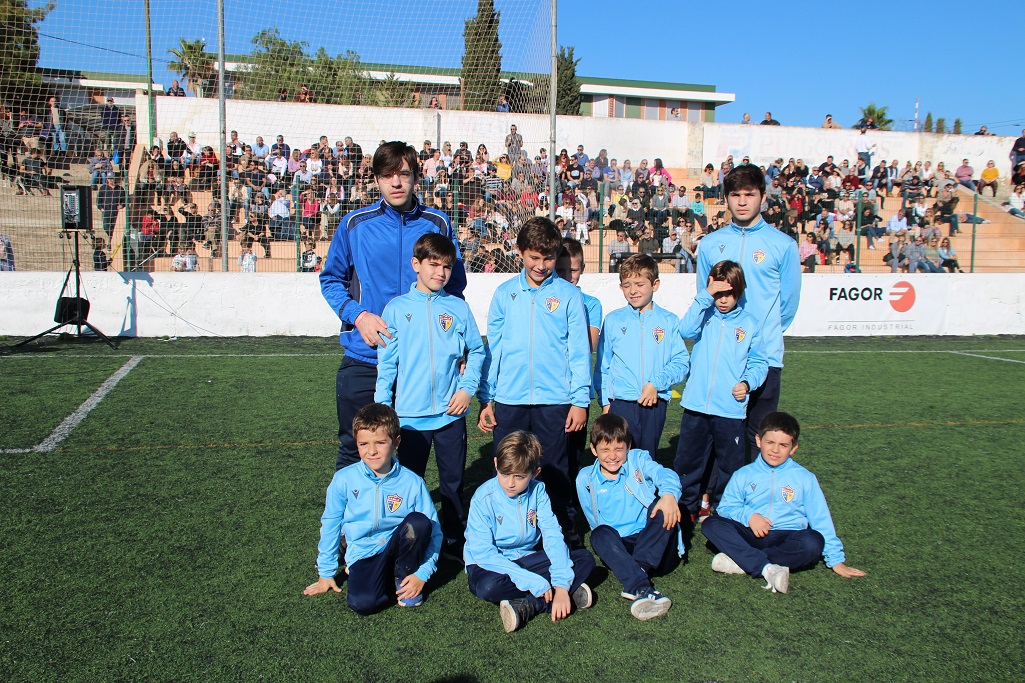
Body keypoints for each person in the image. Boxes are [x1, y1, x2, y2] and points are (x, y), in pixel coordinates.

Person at [321, 141, 466, 471]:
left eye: (403, 173)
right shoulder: (355, 224)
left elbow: (454, 291)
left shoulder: (438, 223)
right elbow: (331, 280)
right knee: (357, 448)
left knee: (415, 455)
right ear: (376, 179)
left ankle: (411, 505)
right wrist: (359, 316)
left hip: (423, 363)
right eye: (387, 175)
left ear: (416, 177)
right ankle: (352, 508)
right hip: (367, 357)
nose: (396, 183)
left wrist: (459, 348)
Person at [477, 217, 591, 538]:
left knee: (554, 470)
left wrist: (580, 401)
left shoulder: (568, 295)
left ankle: (562, 534)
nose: (541, 266)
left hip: (555, 401)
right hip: (509, 400)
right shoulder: (504, 294)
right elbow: (494, 349)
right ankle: (508, 533)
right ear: (520, 253)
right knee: (509, 469)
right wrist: (486, 398)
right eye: (534, 257)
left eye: (548, 258)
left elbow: (579, 351)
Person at [375, 233, 485, 559]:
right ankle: (410, 542)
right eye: (433, 264)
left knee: (453, 484)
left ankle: (453, 543)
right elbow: (387, 364)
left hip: (451, 414)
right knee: (410, 484)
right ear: (416, 264)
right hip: (410, 418)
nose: (440, 272)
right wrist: (383, 409)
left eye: (447, 266)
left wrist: (466, 390)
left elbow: (477, 351)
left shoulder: (458, 308)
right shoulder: (396, 309)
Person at [696, 165, 800, 457]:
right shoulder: (711, 244)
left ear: (763, 197)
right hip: (721, 357)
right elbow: (704, 296)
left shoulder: (783, 245)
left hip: (764, 356)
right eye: (735, 194)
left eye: (749, 194)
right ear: (726, 198)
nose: (742, 202)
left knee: (758, 436)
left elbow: (788, 305)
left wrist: (761, 334)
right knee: (717, 437)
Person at [701, 412, 866, 593]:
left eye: (783, 445)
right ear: (759, 440)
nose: (775, 450)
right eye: (770, 442)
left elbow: (821, 518)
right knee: (711, 524)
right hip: (750, 533)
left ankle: (743, 562)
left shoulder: (805, 477)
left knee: (813, 542)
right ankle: (765, 566)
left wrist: (836, 560)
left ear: (793, 448)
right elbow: (726, 507)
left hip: (787, 537)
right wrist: (750, 516)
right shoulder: (744, 474)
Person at [303, 404, 442, 614]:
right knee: (364, 603)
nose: (372, 451)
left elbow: (435, 531)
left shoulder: (412, 482)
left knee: (419, 522)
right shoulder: (344, 479)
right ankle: (350, 552)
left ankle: (404, 575)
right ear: (356, 444)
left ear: (396, 442)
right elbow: (331, 523)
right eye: (364, 444)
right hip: (364, 551)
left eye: (380, 442)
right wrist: (326, 573)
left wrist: (422, 573)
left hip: (397, 546)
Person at [464, 431, 595, 632]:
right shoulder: (483, 498)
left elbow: (552, 536)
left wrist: (561, 586)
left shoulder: (538, 491)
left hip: (526, 559)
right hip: (490, 565)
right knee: (487, 587)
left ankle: (530, 604)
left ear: (535, 473)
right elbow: (484, 554)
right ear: (496, 464)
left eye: (519, 477)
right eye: (504, 474)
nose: (510, 483)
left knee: (585, 559)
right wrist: (532, 581)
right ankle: (564, 593)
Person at [674, 260, 767, 524]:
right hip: (696, 405)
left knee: (729, 467)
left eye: (729, 294)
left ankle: (725, 513)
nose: (723, 300)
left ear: (739, 291)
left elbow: (759, 362)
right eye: (718, 294)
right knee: (688, 463)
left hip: (730, 409)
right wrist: (706, 295)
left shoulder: (749, 323)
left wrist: (747, 383)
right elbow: (684, 330)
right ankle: (686, 509)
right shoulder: (704, 315)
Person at [575, 414, 682, 621]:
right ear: (594, 450)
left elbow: (665, 474)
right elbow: (591, 516)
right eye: (605, 450)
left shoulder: (637, 460)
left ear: (628, 446)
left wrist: (669, 494)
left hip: (653, 543)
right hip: (620, 548)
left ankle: (636, 574)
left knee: (661, 507)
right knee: (599, 534)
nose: (612, 456)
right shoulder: (585, 478)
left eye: (618, 449)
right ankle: (641, 585)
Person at [594, 254, 688, 460]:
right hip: (620, 402)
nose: (633, 290)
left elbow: (681, 361)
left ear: (655, 284)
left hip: (654, 401)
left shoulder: (669, 321)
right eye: (627, 285)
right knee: (617, 457)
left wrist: (657, 383)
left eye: (639, 284)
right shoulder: (613, 320)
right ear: (620, 287)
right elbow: (603, 365)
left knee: (646, 458)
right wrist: (605, 401)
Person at [555, 238, 603, 486]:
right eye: (561, 270)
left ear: (582, 269)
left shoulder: (591, 304)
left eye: (572, 269)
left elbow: (588, 344)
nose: (567, 276)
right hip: (551, 389)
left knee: (572, 455)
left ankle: (573, 503)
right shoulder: (547, 299)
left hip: (577, 390)